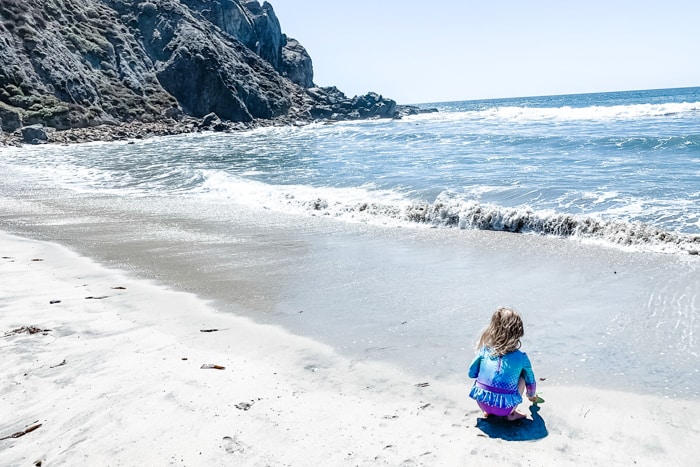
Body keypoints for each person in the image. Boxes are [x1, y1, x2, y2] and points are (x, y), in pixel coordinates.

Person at [468, 307, 538, 421]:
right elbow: (530, 380)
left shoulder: (485, 350)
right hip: (506, 408)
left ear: (492, 329)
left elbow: (471, 373)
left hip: (482, 402)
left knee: (483, 378)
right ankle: (511, 414)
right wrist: (531, 396)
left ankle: (488, 412)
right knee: (522, 378)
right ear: (518, 333)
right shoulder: (521, 357)